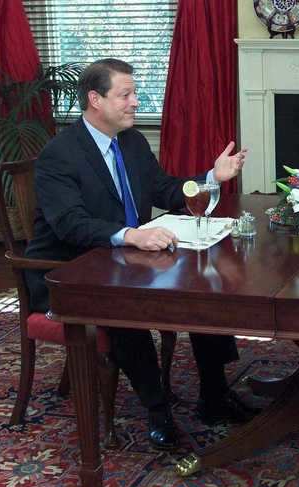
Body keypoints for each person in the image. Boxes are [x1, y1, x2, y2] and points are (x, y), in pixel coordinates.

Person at [24, 58, 255, 450]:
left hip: (125, 258)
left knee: (202, 282)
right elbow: (69, 224)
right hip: (68, 272)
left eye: (134, 93)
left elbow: (165, 189)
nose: (135, 102)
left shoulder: (130, 141)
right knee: (123, 306)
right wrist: (130, 235)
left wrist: (211, 179)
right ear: (95, 99)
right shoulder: (59, 154)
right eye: (125, 95)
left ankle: (214, 397)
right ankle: (157, 410)